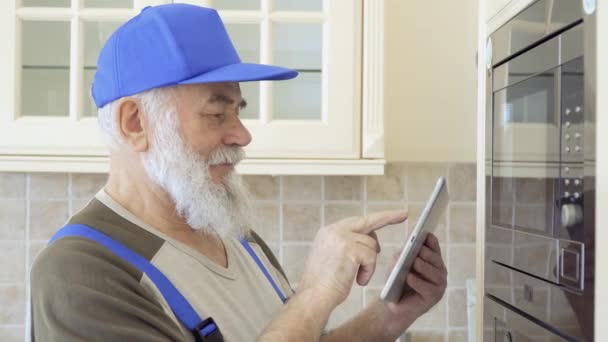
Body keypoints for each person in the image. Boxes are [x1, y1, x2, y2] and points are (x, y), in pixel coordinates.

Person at [30, 4, 447, 341]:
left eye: (238, 111)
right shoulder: (79, 274)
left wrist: (390, 315)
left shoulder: (232, 234)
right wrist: (315, 295)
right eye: (216, 112)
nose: (242, 134)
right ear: (135, 123)